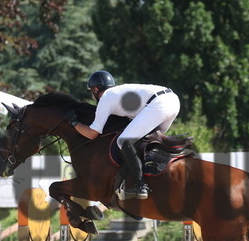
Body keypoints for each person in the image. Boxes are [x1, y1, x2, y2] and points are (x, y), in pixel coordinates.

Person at [70, 70, 180, 200]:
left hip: (158, 105)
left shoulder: (106, 97)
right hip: (173, 100)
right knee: (147, 141)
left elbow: (93, 134)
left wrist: (74, 123)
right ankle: (156, 171)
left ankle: (141, 185)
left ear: (95, 89)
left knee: (123, 141)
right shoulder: (118, 92)